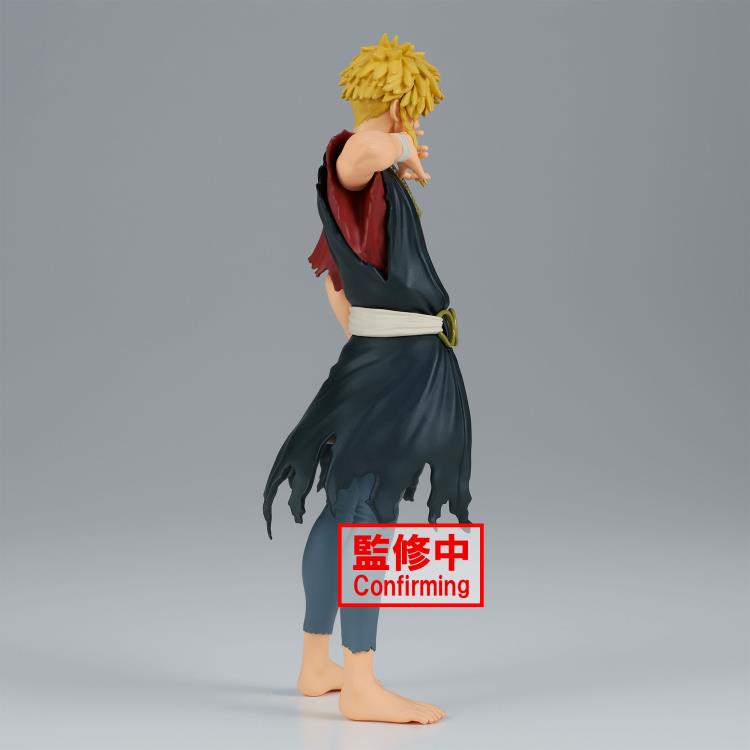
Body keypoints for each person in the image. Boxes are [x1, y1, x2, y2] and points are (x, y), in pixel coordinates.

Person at [263, 33, 472, 724]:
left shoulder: (374, 196)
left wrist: (368, 335)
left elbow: (333, 278)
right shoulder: (358, 162)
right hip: (393, 367)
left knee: (342, 510)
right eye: (416, 112)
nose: (419, 126)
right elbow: (358, 154)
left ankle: (315, 664)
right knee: (367, 517)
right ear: (402, 102)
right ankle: (360, 681)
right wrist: (400, 145)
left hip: (388, 358)